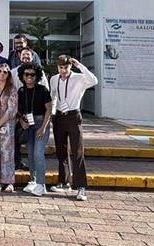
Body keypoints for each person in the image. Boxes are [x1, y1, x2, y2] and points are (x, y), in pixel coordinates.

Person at [49, 55, 98, 201]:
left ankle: (81, 186)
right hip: (59, 116)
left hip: (73, 116)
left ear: (71, 66)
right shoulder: (54, 79)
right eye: (61, 68)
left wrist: (80, 65)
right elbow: (53, 96)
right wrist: (52, 114)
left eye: (66, 67)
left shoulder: (79, 78)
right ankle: (64, 182)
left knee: (77, 151)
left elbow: (94, 80)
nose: (63, 70)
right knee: (61, 151)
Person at [18, 66, 52, 197]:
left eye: (32, 75)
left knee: (38, 153)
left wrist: (43, 127)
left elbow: (49, 109)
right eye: (26, 74)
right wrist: (21, 121)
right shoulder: (21, 90)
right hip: (28, 123)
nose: (29, 77)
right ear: (22, 76)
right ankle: (33, 180)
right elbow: (19, 109)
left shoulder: (43, 90)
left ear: (37, 76)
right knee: (31, 154)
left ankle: (41, 184)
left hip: (40, 122)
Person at [0, 62, 19, 192]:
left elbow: (12, 110)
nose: (1, 73)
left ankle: (8, 182)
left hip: (6, 125)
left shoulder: (12, 89)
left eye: (5, 72)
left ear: (8, 74)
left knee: (6, 154)